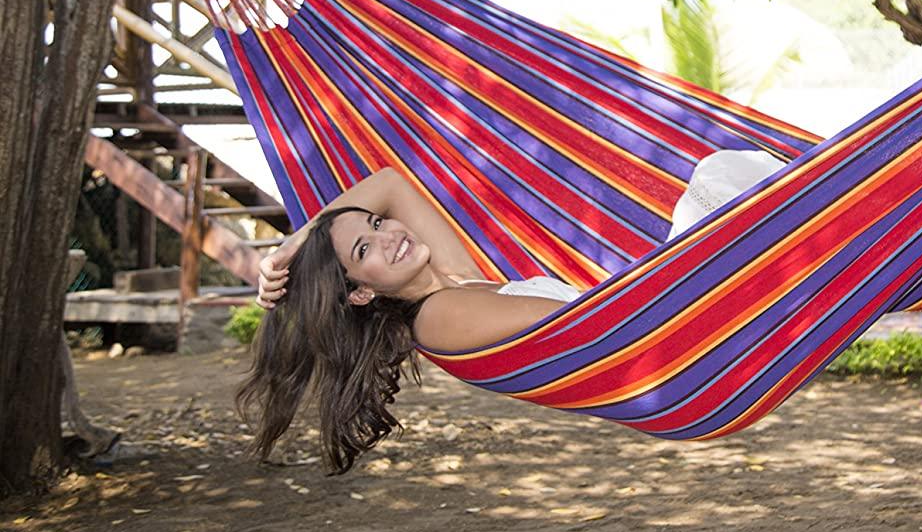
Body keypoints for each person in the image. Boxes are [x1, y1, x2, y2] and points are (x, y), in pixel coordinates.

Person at [238, 150, 787, 474]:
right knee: (720, 181)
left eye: (377, 226)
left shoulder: (452, 280)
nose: (388, 236)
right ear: (359, 294)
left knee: (735, 189)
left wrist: (295, 242)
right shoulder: (438, 316)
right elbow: (594, 327)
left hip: (670, 328)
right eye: (365, 251)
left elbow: (388, 185)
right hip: (672, 350)